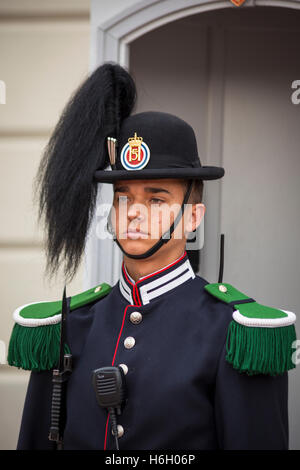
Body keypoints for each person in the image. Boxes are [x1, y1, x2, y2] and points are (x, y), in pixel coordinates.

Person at [7, 63, 297, 450]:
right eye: (123, 196)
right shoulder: (67, 327)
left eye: (156, 198)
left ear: (193, 217)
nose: (133, 212)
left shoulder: (236, 333)